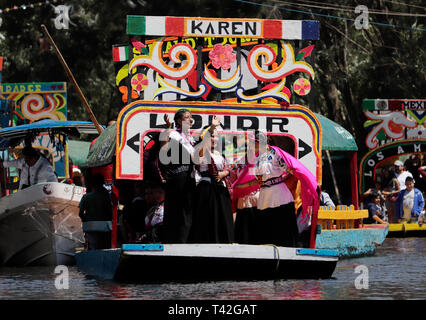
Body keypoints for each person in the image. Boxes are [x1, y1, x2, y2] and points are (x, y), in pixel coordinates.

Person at [235, 131, 318, 247]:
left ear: (259, 142)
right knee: (266, 231)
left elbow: (290, 168)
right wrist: (240, 186)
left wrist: (302, 178)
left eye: (252, 143)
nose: (251, 146)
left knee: (282, 230)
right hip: (265, 196)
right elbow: (259, 180)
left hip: (279, 196)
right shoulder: (257, 158)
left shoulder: (275, 152)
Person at [191, 117, 234, 243]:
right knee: (209, 217)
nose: (214, 139)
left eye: (215, 136)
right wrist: (212, 127)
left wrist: (224, 173)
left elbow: (229, 169)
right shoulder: (201, 150)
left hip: (220, 189)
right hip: (207, 189)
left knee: (223, 217)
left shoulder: (220, 154)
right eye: (211, 136)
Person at [160, 109, 196, 243]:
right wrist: (167, 128)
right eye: (187, 117)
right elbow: (163, 148)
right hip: (177, 177)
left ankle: (185, 239)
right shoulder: (174, 135)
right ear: (179, 121)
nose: (190, 119)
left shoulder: (190, 138)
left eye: (191, 117)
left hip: (189, 177)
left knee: (187, 210)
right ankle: (174, 240)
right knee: (177, 210)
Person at [78, 173, 113, 250]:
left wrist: (86, 220)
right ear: (102, 184)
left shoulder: (86, 197)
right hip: (105, 227)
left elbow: (80, 214)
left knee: (93, 247)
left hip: (91, 226)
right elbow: (110, 212)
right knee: (104, 248)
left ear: (91, 184)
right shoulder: (106, 196)